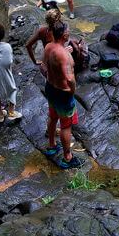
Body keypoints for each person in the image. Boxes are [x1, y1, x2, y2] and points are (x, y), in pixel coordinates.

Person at [41, 22, 82, 169]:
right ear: (64, 35)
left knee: (52, 117)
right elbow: (69, 78)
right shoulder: (65, 56)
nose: (69, 32)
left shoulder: (48, 47)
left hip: (50, 88)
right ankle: (67, 157)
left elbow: (43, 66)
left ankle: (52, 146)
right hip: (62, 93)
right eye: (68, 31)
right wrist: (72, 90)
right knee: (66, 125)